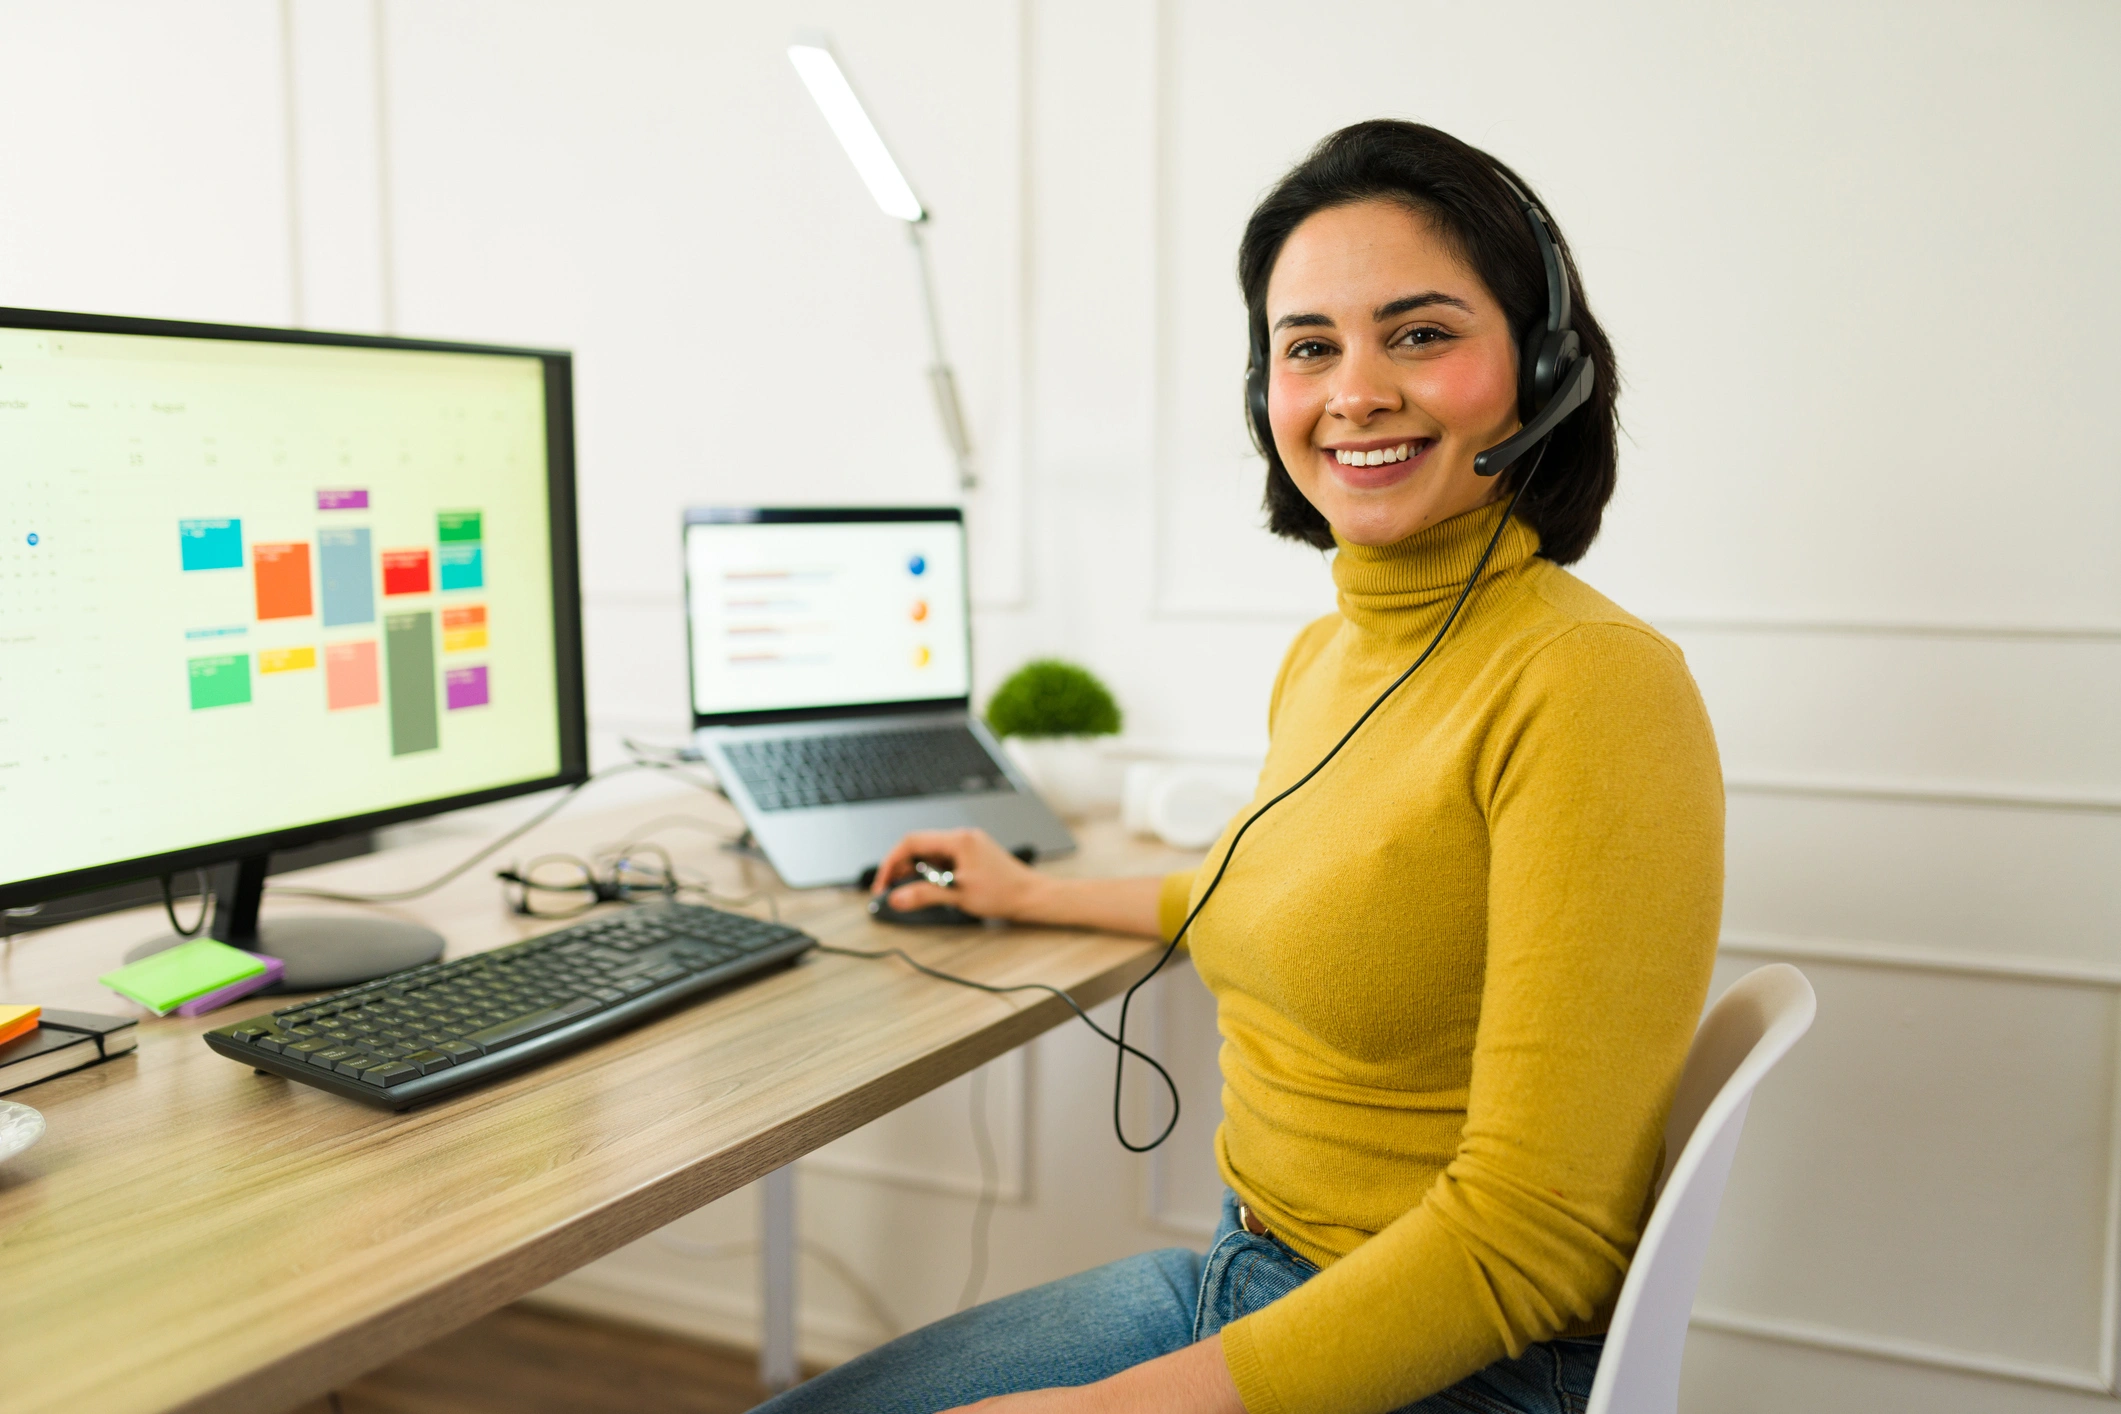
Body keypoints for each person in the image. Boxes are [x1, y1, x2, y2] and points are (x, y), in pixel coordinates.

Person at [754, 119, 1723, 1414]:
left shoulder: (1593, 684)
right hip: (1255, 1271)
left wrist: (1089, 1411)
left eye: (1421, 333)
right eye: (1308, 345)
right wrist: (1030, 890)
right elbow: (1285, 894)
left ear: (1541, 368)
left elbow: (1535, 1235)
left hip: (1456, 1359)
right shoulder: (1330, 653)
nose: (1355, 389)